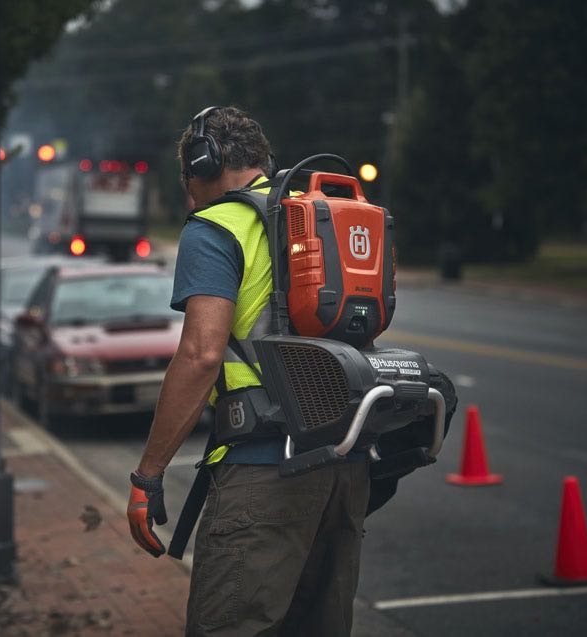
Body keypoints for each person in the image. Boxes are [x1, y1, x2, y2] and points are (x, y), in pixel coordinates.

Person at [126, 106, 373, 636]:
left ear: (203, 163)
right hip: (344, 470)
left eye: (187, 179)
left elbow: (201, 355)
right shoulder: (320, 217)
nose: (189, 193)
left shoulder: (217, 226)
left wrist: (147, 475)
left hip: (266, 471)